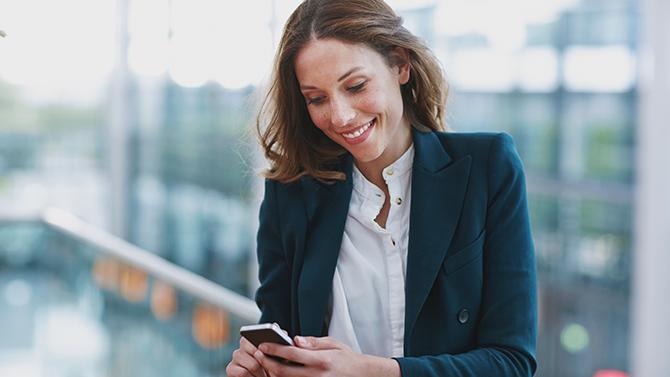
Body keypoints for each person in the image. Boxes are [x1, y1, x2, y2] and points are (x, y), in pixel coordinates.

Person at [226, 0, 537, 376]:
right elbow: (282, 340)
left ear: (400, 64)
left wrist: (371, 371)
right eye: (317, 99)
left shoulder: (488, 168)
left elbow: (511, 361)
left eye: (356, 86)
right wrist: (263, 368)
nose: (340, 116)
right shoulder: (291, 193)